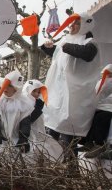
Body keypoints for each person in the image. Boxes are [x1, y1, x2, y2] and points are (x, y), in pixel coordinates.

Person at [42, 12, 100, 150]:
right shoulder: (66, 41)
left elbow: (86, 54)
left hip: (76, 96)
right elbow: (58, 56)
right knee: (52, 132)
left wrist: (64, 46)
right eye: (72, 22)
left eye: (77, 23)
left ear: (86, 25)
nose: (72, 25)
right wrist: (47, 47)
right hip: (59, 93)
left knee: (69, 134)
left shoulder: (90, 43)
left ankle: (70, 169)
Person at [0, 70, 34, 152]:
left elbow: (25, 123)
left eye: (9, 86)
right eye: (4, 85)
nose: (5, 88)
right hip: (0, 139)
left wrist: (23, 138)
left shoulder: (23, 103)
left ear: (16, 88)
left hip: (16, 139)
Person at [23, 79, 63, 161]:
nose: (37, 94)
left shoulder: (39, 103)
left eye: (38, 92)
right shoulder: (22, 103)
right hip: (28, 135)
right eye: (34, 91)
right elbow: (27, 120)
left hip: (40, 134)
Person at [83, 64, 112, 158]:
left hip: (108, 109)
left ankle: (99, 144)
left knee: (101, 117)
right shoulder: (102, 81)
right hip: (102, 107)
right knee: (92, 117)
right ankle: (89, 142)